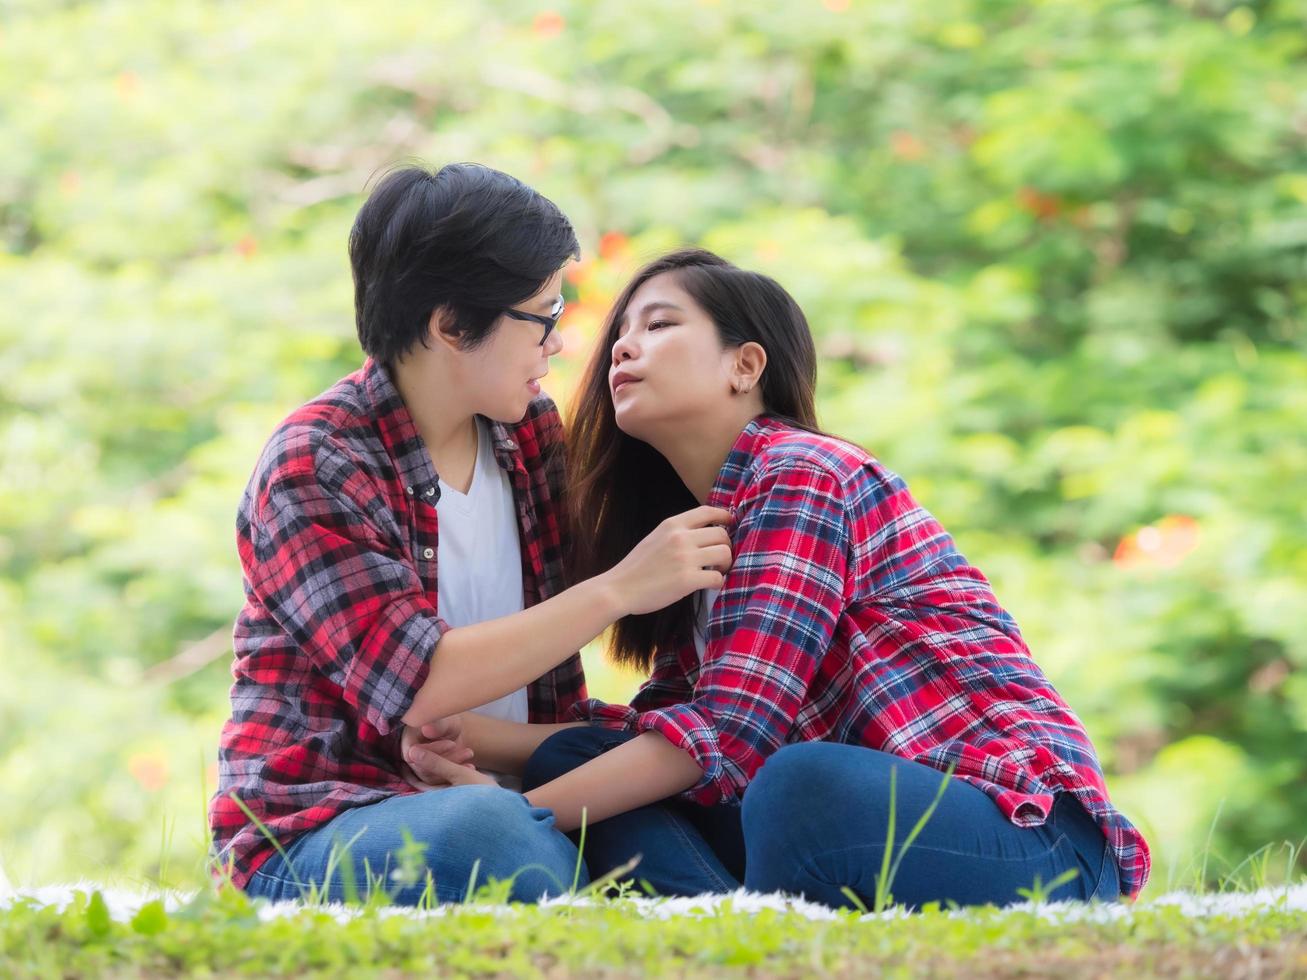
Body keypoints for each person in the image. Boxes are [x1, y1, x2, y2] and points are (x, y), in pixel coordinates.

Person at [404, 247, 1151, 909]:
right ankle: (721, 939)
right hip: (848, 836)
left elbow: (730, 733)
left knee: (797, 786)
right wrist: (465, 736)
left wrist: (514, 817)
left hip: (1031, 841)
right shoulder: (700, 534)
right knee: (585, 756)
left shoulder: (803, 473)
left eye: (659, 325)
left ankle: (731, 932)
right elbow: (671, 733)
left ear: (745, 365)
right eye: (620, 333)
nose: (623, 347)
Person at [208, 168, 732, 905]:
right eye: (542, 318)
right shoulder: (318, 461)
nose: (556, 344)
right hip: (327, 821)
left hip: (508, 789)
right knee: (488, 834)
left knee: (676, 801)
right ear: (451, 324)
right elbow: (420, 679)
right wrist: (618, 589)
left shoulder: (528, 439)